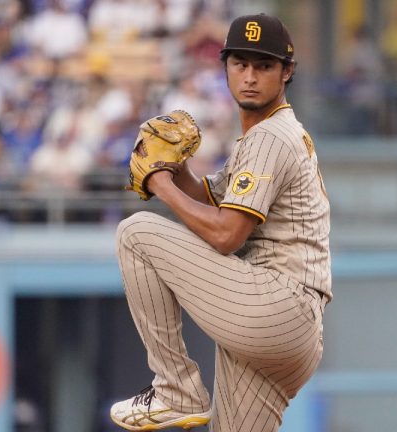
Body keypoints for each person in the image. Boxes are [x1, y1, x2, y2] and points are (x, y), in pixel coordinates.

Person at [110, 13, 331, 432]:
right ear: (225, 66)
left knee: (136, 233)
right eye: (240, 64)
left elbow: (227, 235)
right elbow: (215, 201)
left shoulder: (269, 137)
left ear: (287, 72)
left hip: (276, 303)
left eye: (263, 66)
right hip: (289, 331)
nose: (249, 76)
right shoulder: (267, 134)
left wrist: (160, 184)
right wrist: (175, 170)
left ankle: (176, 392)